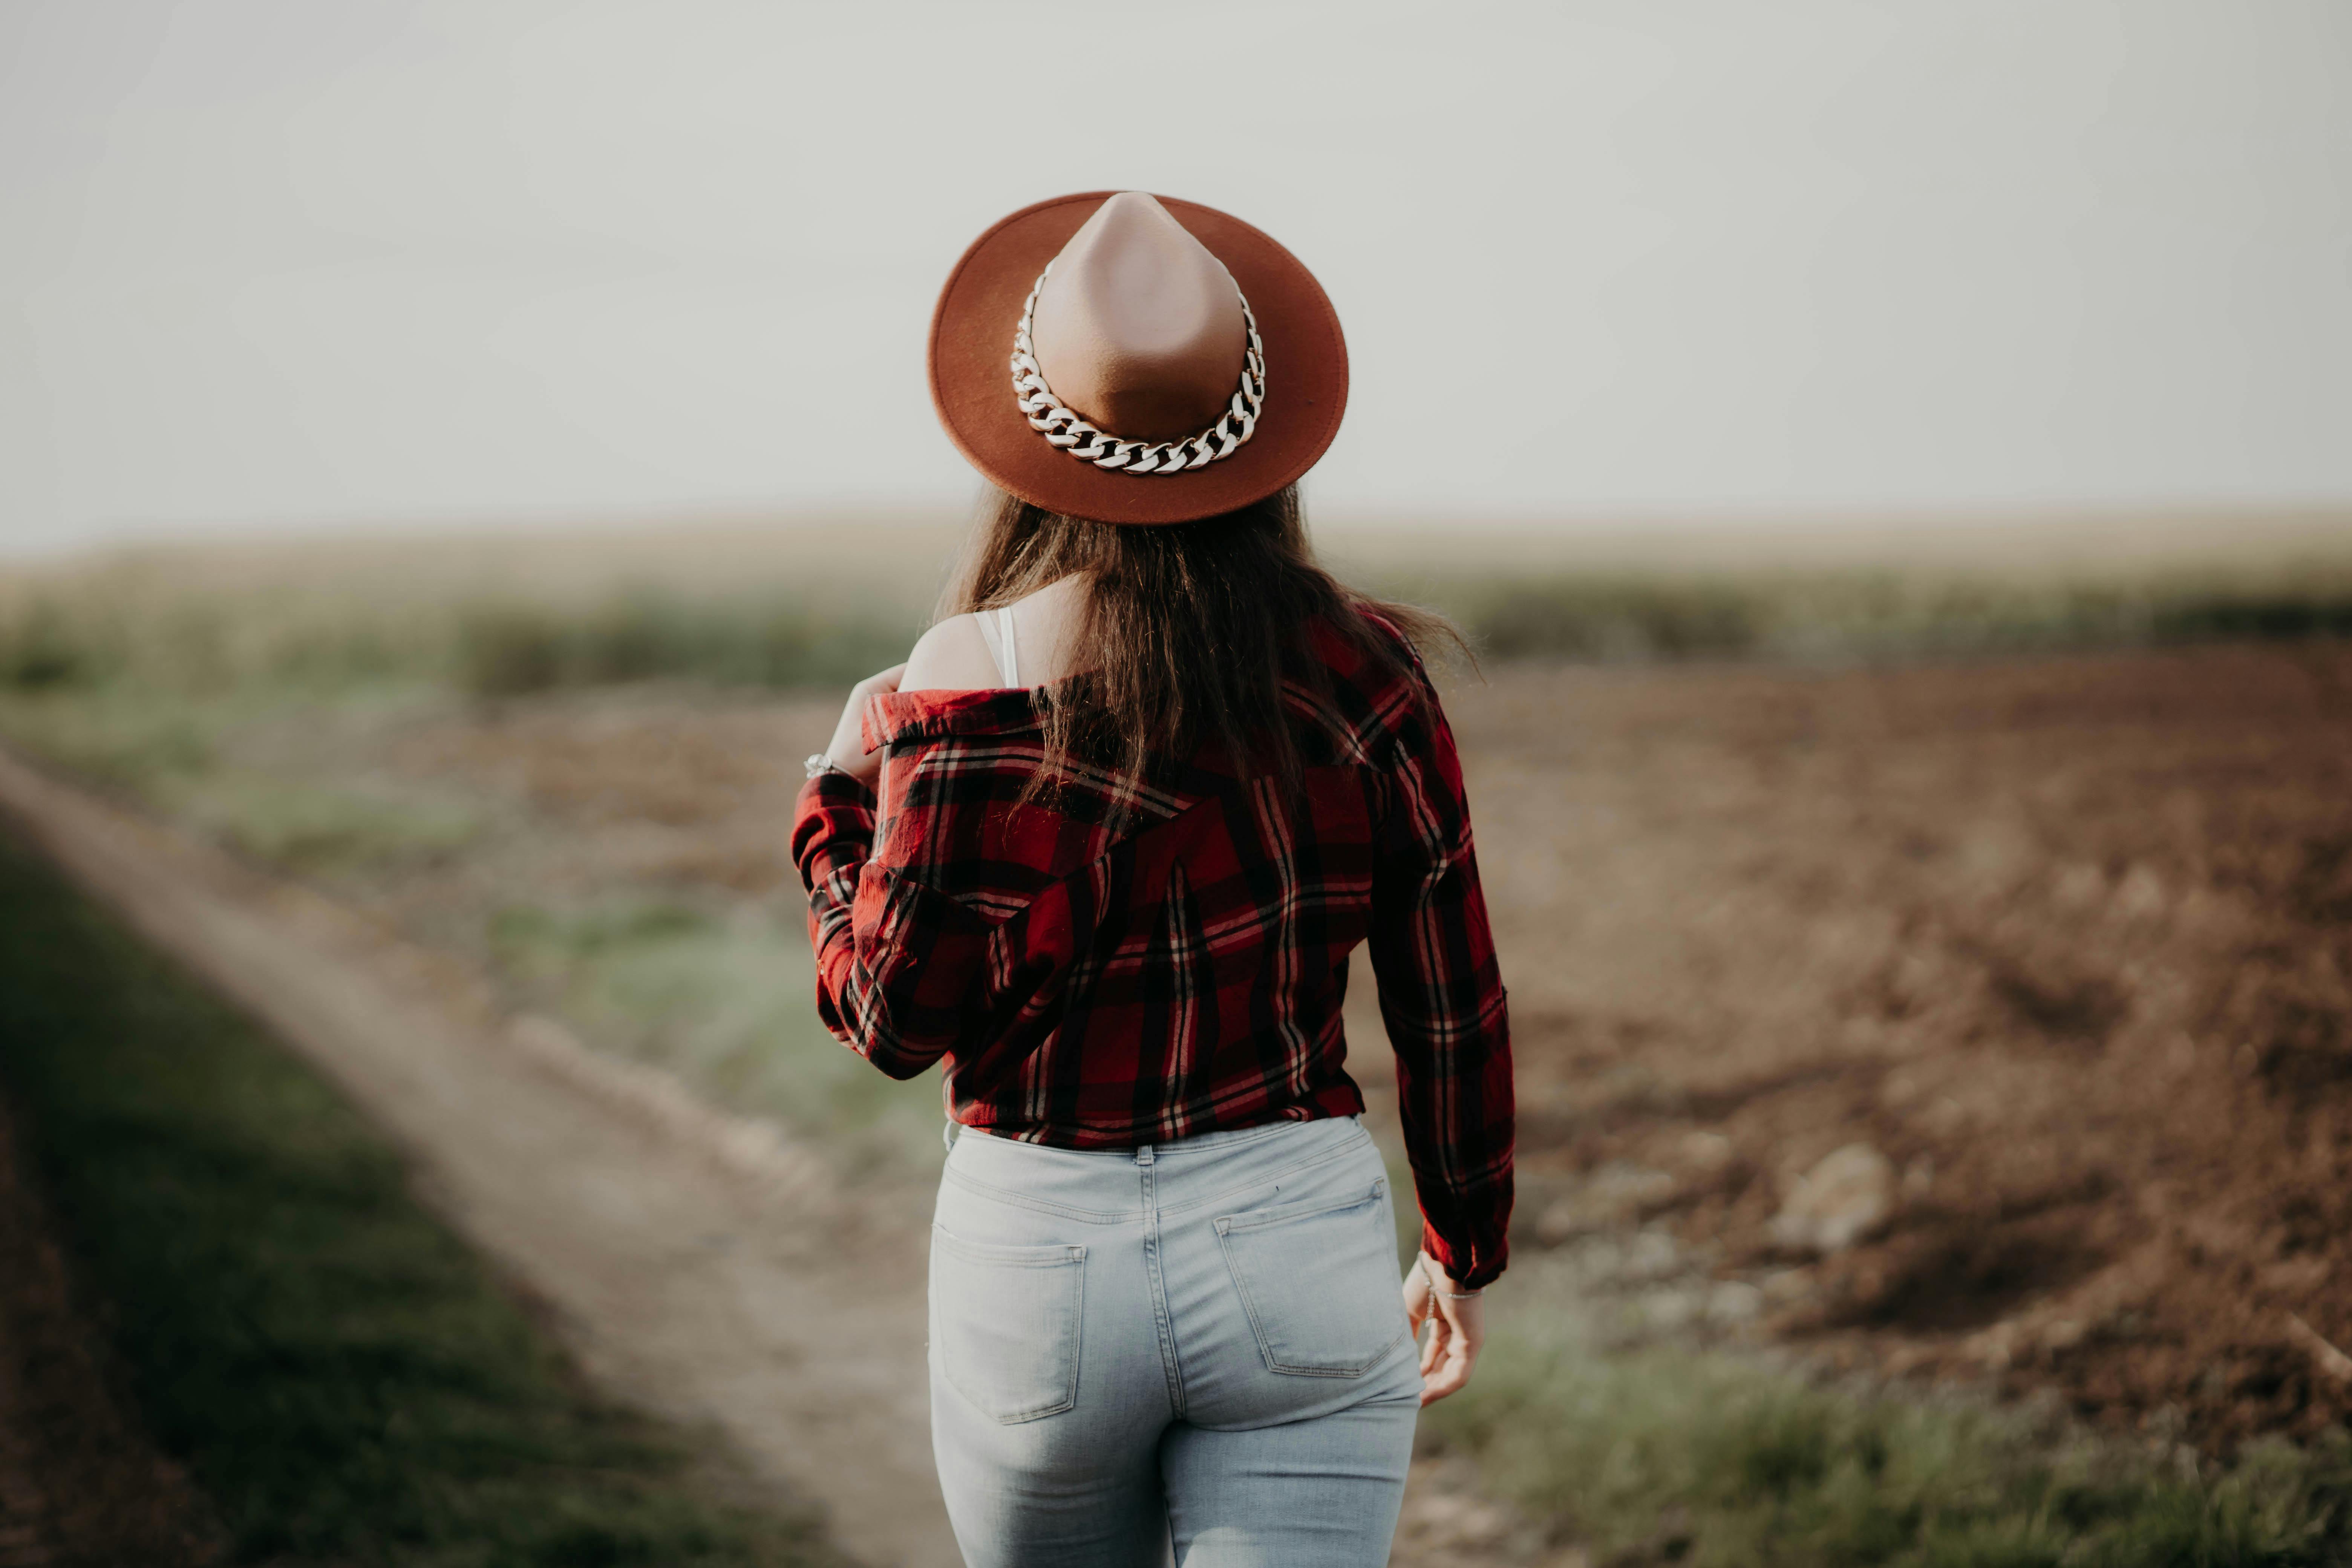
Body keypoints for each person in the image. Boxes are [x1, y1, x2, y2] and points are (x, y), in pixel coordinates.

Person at [791, 191, 1513, 1568]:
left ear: (1032, 441)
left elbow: (892, 1021)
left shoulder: (966, 676)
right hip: (1295, 1240)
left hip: (1037, 1261)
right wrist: (1461, 1243)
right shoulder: (1366, 675)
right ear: (1262, 426)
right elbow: (1452, 1002)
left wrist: (834, 811)